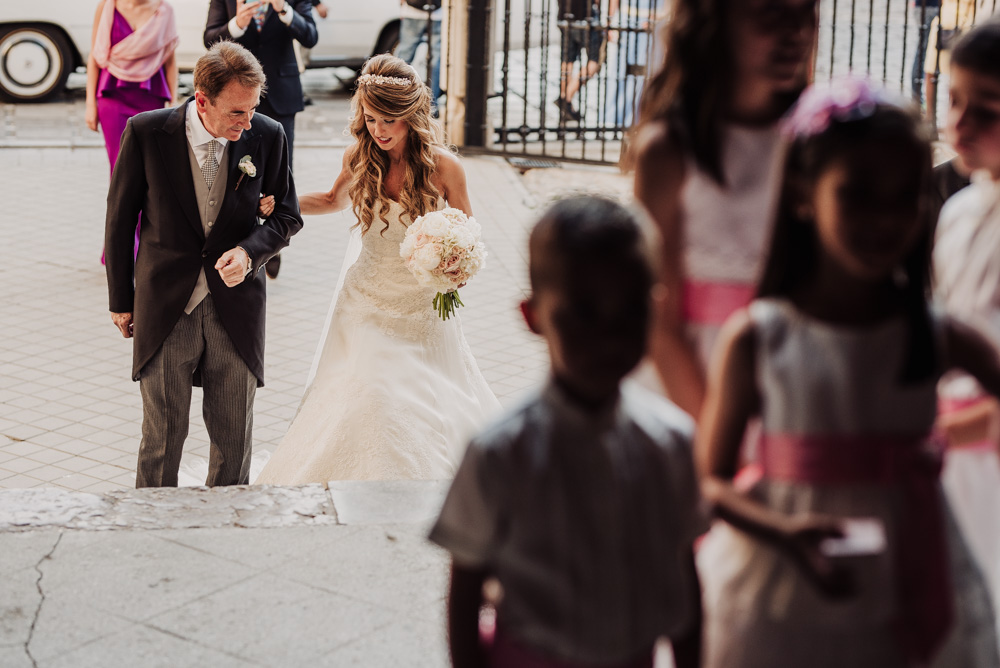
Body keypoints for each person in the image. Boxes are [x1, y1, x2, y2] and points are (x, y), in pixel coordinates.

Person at [695, 79, 1000, 668]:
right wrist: (784, 532)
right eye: (858, 195)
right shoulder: (760, 337)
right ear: (804, 196)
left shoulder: (937, 335)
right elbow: (712, 481)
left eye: (902, 196)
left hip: (910, 567)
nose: (883, 219)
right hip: (780, 583)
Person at [429, 196, 703, 668]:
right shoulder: (499, 452)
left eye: (629, 315)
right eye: (582, 315)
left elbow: (684, 578)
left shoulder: (672, 441)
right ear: (533, 316)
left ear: (655, 312)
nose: (608, 336)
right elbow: (466, 588)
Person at [254, 54, 501, 484]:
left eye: (389, 120)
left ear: (411, 116)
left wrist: (454, 266)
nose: (379, 130)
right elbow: (333, 200)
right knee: (371, 390)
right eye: (370, 119)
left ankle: (419, 479)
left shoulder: (445, 167)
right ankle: (364, 477)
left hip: (421, 303)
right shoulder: (359, 156)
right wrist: (279, 203)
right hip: (365, 298)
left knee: (423, 394)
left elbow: (468, 230)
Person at [105, 41, 304, 488]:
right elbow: (120, 221)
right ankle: (152, 530)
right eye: (237, 112)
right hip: (164, 305)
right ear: (201, 100)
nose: (247, 121)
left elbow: (287, 216)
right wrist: (121, 299)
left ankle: (227, 533)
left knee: (234, 439)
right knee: (161, 437)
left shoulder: (267, 135)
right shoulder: (145, 132)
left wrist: (251, 251)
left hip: (237, 307)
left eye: (252, 109)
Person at [631, 0, 818, 418]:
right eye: (770, 13)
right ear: (715, 20)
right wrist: (712, 437)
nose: (795, 32)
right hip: (685, 381)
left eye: (806, 11)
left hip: (787, 382)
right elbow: (659, 319)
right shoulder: (667, 151)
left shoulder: (816, 145)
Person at [933, 21, 1000, 645]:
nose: (962, 122)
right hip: (953, 446)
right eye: (955, 101)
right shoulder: (957, 212)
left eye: (988, 110)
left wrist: (955, 432)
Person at [204, 0, 318, 279]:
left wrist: (283, 10)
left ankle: (271, 243)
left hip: (281, 94)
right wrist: (237, 24)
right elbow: (210, 40)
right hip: (236, 99)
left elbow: (310, 36)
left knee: (279, 173)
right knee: (238, 171)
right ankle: (244, 239)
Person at [86, 0, 178, 264]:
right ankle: (122, 251)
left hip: (151, 100)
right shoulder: (107, 7)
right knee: (121, 177)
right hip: (112, 98)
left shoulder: (164, 11)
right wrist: (90, 104)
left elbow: (169, 60)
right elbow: (95, 57)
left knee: (150, 177)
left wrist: (173, 106)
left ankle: (136, 247)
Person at [555, 0, 619, 123]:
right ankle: (566, 98)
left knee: (567, 61)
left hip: (564, 16)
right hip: (586, 18)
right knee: (594, 63)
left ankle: (566, 103)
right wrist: (608, 22)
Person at [396, 0, 443, 115]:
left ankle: (398, 99)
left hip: (412, 11)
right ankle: (431, 104)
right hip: (438, 12)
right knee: (436, 60)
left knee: (404, 58)